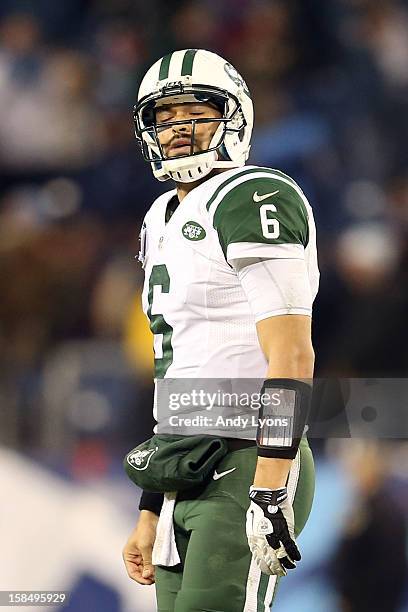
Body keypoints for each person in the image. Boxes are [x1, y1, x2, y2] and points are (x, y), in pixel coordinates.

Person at [122, 48, 319, 612]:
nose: (179, 128)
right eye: (164, 116)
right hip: (183, 461)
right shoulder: (159, 216)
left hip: (248, 456)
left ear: (234, 115)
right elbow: (176, 365)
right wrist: (151, 505)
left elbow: (292, 355)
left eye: (196, 112)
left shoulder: (252, 197)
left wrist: (270, 484)